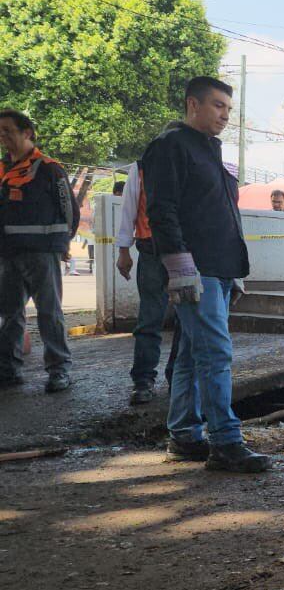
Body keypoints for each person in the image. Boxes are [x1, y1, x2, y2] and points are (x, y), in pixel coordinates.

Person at [141, 76, 271, 473]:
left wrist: (235, 269)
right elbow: (161, 210)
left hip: (218, 267)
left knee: (191, 356)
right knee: (216, 353)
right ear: (192, 105)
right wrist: (178, 264)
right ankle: (226, 442)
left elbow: (221, 212)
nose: (225, 116)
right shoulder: (169, 146)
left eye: (229, 109)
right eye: (217, 106)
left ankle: (184, 434)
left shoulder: (210, 150)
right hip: (195, 268)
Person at [0, 109, 77, 392]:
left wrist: (63, 245)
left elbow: (69, 210)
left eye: (8, 130)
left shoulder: (48, 168)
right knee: (9, 314)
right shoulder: (2, 169)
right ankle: (7, 370)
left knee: (49, 312)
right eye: (0, 131)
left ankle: (59, 371)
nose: (3, 136)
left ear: (27, 133)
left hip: (42, 253)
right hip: (8, 253)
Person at [115, 127, 185, 406]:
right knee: (150, 320)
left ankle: (176, 377)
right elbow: (129, 209)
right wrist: (123, 250)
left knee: (187, 320)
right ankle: (143, 380)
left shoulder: (191, 166)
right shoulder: (141, 168)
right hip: (152, 250)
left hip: (184, 253)